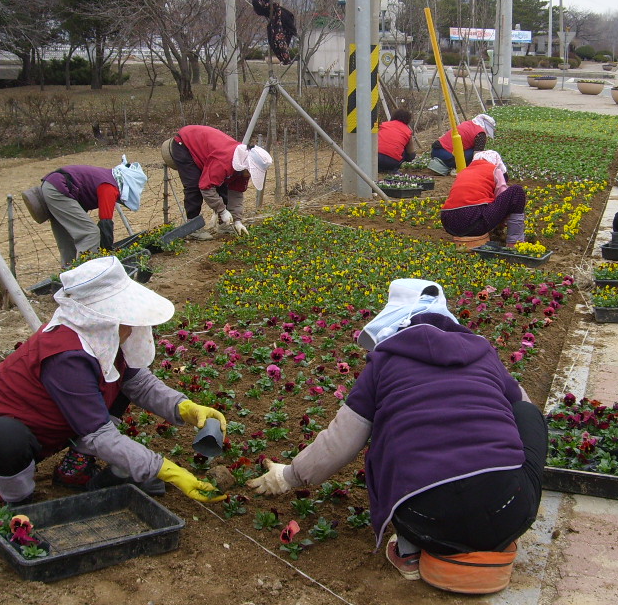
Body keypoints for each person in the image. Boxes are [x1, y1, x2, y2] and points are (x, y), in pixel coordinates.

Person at [248, 278, 546, 594]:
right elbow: (524, 410)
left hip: (425, 520)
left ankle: (409, 550)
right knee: (527, 413)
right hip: (510, 510)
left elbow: (341, 441)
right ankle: (490, 534)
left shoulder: (384, 362)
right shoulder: (483, 353)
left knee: (397, 436)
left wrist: (289, 476)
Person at [0, 256, 227, 506]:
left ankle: (75, 467)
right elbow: (99, 435)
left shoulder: (100, 340)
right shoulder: (66, 357)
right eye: (126, 316)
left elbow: (138, 383)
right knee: (7, 438)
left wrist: (187, 409)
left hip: (45, 424)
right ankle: (21, 504)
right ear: (101, 318)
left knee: (118, 385)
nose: (132, 325)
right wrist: (166, 470)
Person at [161, 125, 273, 241]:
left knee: (223, 184)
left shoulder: (242, 168)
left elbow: (236, 193)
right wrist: (222, 210)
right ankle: (193, 228)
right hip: (185, 143)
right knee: (193, 186)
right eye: (251, 171)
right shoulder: (224, 160)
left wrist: (237, 220)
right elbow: (205, 187)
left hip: (206, 150)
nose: (250, 175)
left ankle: (224, 225)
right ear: (247, 165)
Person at [40, 157, 147, 266]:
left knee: (67, 237)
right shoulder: (109, 187)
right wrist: (107, 254)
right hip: (58, 189)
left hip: (53, 186)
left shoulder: (108, 177)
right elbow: (105, 224)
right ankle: (88, 274)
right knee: (90, 233)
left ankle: (69, 273)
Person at [440, 150, 527, 247]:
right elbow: (503, 199)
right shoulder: (495, 170)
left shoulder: (464, 172)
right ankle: (515, 242)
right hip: (474, 220)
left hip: (448, 222)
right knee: (516, 192)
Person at [428, 113, 496, 175]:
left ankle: (442, 164)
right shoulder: (480, 134)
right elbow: (477, 156)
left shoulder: (468, 124)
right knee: (477, 152)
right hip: (448, 157)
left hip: (435, 151)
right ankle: (457, 168)